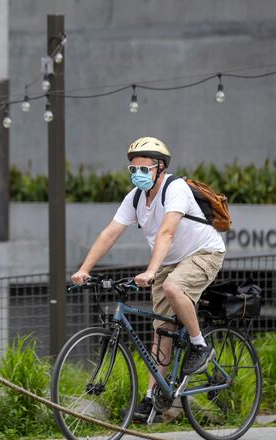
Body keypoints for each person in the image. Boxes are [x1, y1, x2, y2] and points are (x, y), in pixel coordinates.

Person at [70, 137, 225, 423]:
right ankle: (153, 397)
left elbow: (167, 232)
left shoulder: (175, 188)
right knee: (161, 330)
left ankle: (200, 345)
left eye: (144, 168)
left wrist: (151, 271)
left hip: (204, 252)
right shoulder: (135, 198)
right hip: (168, 260)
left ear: (160, 168)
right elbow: (110, 233)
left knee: (172, 286)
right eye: (133, 169)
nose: (137, 174)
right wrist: (85, 269)